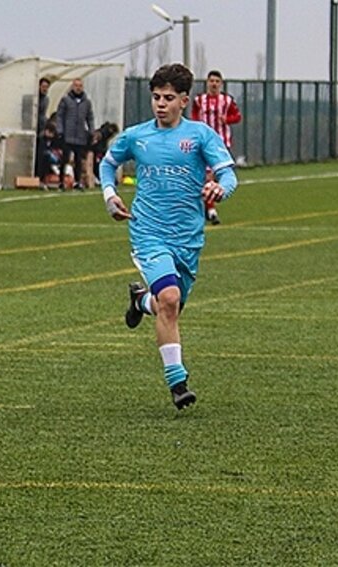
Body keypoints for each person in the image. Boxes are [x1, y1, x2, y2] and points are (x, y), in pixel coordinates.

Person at [99, 63, 238, 410]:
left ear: (184, 100)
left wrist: (220, 189)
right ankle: (178, 383)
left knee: (168, 306)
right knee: (171, 300)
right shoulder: (136, 136)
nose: (161, 104)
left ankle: (139, 301)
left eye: (168, 98)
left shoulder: (201, 135)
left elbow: (228, 175)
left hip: (187, 238)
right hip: (148, 232)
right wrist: (109, 195)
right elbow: (106, 163)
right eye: (156, 97)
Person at [190, 70, 242, 225]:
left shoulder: (227, 100)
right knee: (207, 176)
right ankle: (211, 211)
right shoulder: (199, 100)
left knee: (214, 176)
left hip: (221, 144)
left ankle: (207, 207)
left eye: (217, 81)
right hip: (202, 143)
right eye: (211, 81)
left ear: (221, 84)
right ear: (207, 83)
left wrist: (226, 119)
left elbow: (237, 116)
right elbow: (194, 117)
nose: (214, 84)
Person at [56, 78, 95, 190]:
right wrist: (60, 130)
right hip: (67, 134)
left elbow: (90, 117)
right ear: (72, 87)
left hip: (80, 135)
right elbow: (60, 115)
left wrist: (91, 130)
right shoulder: (66, 100)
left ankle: (78, 182)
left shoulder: (86, 102)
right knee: (65, 159)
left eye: (80, 86)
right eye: (76, 85)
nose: (78, 88)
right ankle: (61, 181)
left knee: (78, 160)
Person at [34, 77, 52, 180]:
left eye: (47, 87)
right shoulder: (33, 98)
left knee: (41, 155)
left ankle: (39, 177)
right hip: (32, 130)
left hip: (41, 131)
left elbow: (43, 115)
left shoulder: (46, 99)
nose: (45, 89)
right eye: (43, 86)